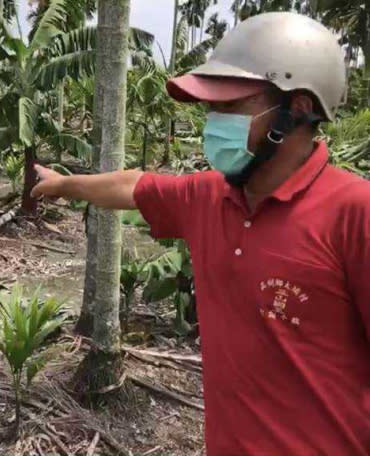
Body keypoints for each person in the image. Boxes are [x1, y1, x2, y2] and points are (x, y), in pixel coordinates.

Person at [33, 12, 370, 455]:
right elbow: (134, 186)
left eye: (230, 106)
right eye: (211, 108)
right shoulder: (208, 197)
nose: (213, 122)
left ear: (298, 108)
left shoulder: (355, 212)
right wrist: (64, 185)